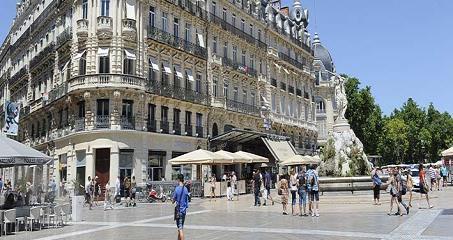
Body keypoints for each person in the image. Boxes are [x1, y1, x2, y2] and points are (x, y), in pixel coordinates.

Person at [173, 174, 189, 240]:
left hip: (178, 211)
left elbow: (173, 200)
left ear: (178, 180)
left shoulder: (177, 189)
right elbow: (187, 201)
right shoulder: (185, 189)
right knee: (180, 227)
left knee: (180, 228)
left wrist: (173, 200)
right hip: (184, 211)